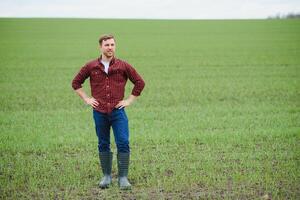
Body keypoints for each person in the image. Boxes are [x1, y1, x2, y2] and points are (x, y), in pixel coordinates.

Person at [71, 34, 145, 190]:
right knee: (103, 143)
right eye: (107, 45)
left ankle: (123, 178)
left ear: (115, 46)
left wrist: (129, 101)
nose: (110, 47)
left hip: (118, 112)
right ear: (101, 47)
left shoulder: (123, 66)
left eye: (112, 44)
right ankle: (106, 176)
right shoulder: (91, 66)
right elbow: (76, 83)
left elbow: (140, 82)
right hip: (99, 112)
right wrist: (87, 99)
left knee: (123, 142)